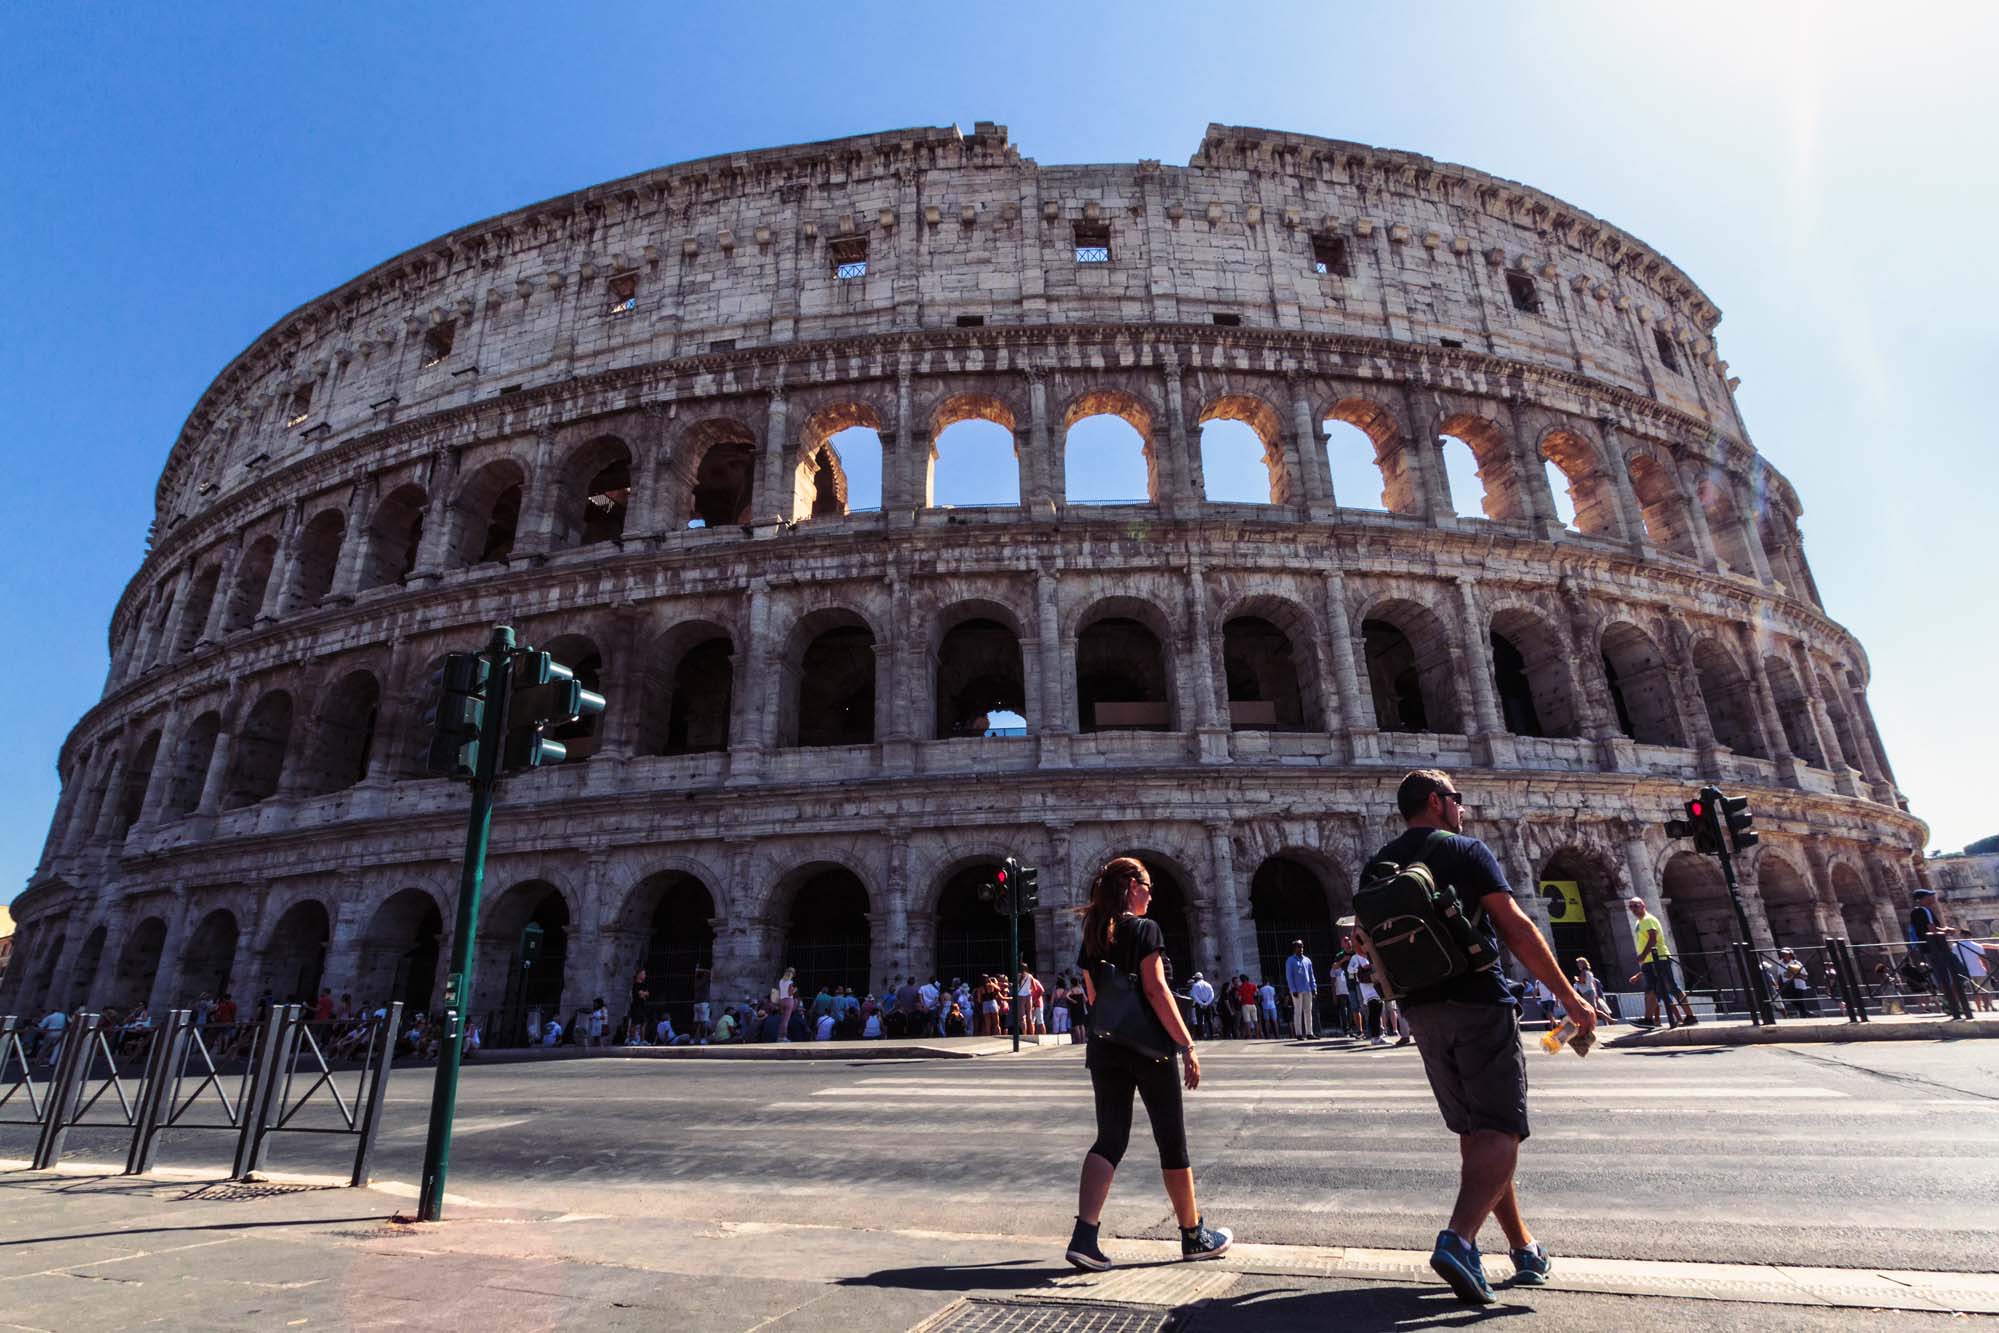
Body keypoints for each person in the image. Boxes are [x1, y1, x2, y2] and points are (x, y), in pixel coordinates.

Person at [1373, 769, 1596, 1305]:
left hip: (1422, 1012)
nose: (1463, 808)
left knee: (1479, 1136)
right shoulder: (1466, 851)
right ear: (1436, 801)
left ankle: (1523, 1247)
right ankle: (1458, 1240)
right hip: (1477, 1000)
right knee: (1500, 1130)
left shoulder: (1378, 864)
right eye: (1457, 799)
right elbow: (1516, 926)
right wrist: (1569, 998)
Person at [1066, 855, 1231, 1271]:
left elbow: (1092, 995)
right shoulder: (1144, 929)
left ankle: (1084, 1236)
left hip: (1105, 1047)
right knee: (1172, 1141)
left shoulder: (1092, 933)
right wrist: (1187, 1044)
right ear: (1131, 888)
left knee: (1110, 1139)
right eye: (1148, 886)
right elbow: (1157, 990)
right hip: (1149, 1049)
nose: (1152, 894)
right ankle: (1193, 1236)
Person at [1625, 897, 1696, 1028]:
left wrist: (1642, 955)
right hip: (1650, 961)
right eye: (1631, 906)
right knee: (1650, 990)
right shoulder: (1639, 923)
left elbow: (1653, 939)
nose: (1633, 909)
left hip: (1658, 959)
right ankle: (1648, 1019)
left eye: (1636, 906)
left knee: (1671, 987)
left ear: (1643, 905)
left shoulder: (1648, 920)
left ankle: (1690, 1016)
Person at [1912, 888, 1973, 1020]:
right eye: (1930, 896)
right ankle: (1951, 1003)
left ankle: (1951, 1002)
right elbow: (1931, 928)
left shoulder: (1921, 911)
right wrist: (1946, 930)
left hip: (1933, 948)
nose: (1933, 898)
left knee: (1949, 976)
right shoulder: (1922, 911)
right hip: (1935, 948)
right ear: (1922, 898)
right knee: (1954, 974)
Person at [1283, 941, 1318, 1039]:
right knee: (1298, 1011)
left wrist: (1314, 987)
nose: (1301, 949)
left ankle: (1309, 1033)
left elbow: (1311, 975)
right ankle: (1298, 1033)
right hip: (1297, 990)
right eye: (1299, 947)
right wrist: (1292, 989)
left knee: (1308, 1011)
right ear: (1294, 948)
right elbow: (1289, 977)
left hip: (1307, 989)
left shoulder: (1307, 960)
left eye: (1302, 946)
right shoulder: (1290, 960)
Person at [1572, 959, 1616, 1023]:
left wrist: (1576, 979)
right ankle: (1608, 1020)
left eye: (1579, 963)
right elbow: (1592, 983)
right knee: (1591, 1009)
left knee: (1593, 1009)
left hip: (1587, 992)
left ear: (1583, 964)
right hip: (1590, 991)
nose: (1578, 964)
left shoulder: (1583, 972)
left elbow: (1582, 981)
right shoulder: (1589, 972)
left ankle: (1610, 1020)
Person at [1776, 948, 1813, 1018]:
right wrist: (1778, 985)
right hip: (1787, 985)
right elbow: (1779, 975)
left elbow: (1805, 976)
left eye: (1786, 954)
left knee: (1799, 1000)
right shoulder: (1780, 963)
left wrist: (1794, 975)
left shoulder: (1796, 963)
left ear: (1790, 955)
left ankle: (1804, 1015)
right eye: (1783, 954)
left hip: (1798, 985)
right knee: (1792, 1000)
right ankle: (1806, 1012)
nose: (1784, 955)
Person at [1187, 973, 1216, 1039]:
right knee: (1209, 1020)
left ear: (1197, 978)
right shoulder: (1208, 984)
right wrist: (1207, 1003)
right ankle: (1211, 1035)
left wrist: (1201, 1003)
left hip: (1199, 1004)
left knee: (1199, 1020)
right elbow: (1212, 995)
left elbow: (1195, 996)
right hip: (1208, 1003)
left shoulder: (1195, 985)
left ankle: (1201, 1036)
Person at [773, 966, 798, 1040]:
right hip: (788, 1001)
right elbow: (790, 993)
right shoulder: (790, 982)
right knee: (786, 1020)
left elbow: (780, 991)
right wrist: (795, 990)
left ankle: (779, 1036)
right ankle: (783, 1037)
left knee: (781, 1018)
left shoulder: (781, 981)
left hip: (781, 1000)